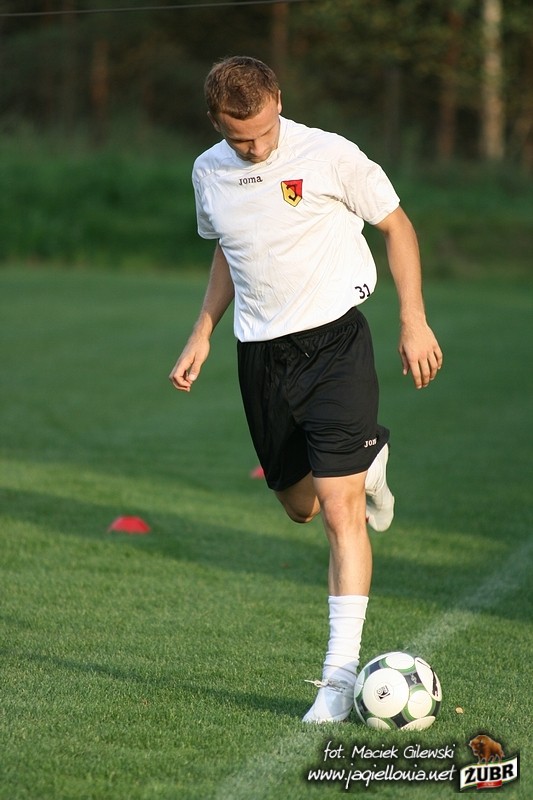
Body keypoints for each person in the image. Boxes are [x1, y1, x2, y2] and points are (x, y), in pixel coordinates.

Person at [169, 56, 443, 723]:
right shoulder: (208, 172)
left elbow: (397, 226)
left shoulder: (329, 155)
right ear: (215, 123)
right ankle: (367, 457)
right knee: (300, 506)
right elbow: (228, 248)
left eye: (263, 131)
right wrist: (203, 330)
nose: (254, 147)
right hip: (260, 357)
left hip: (334, 346)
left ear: (278, 103)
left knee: (340, 510)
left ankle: (336, 681)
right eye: (239, 138)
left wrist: (412, 320)